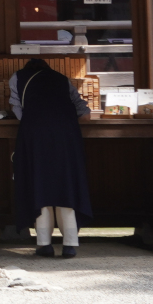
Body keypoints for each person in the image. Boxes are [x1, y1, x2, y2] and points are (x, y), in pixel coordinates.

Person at [9, 58, 93, 258]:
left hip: (35, 136)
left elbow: (17, 108)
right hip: (65, 136)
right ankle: (70, 244)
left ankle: (44, 244)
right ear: (48, 68)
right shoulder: (61, 79)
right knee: (66, 185)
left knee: (40, 184)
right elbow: (84, 112)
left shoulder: (17, 78)